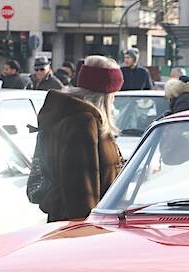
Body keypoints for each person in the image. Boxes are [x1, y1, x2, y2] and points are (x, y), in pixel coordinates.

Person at [35, 55, 124, 222]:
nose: (114, 100)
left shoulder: (79, 117)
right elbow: (80, 188)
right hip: (81, 228)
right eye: (114, 95)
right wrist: (86, 233)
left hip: (76, 224)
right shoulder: (83, 122)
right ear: (105, 95)